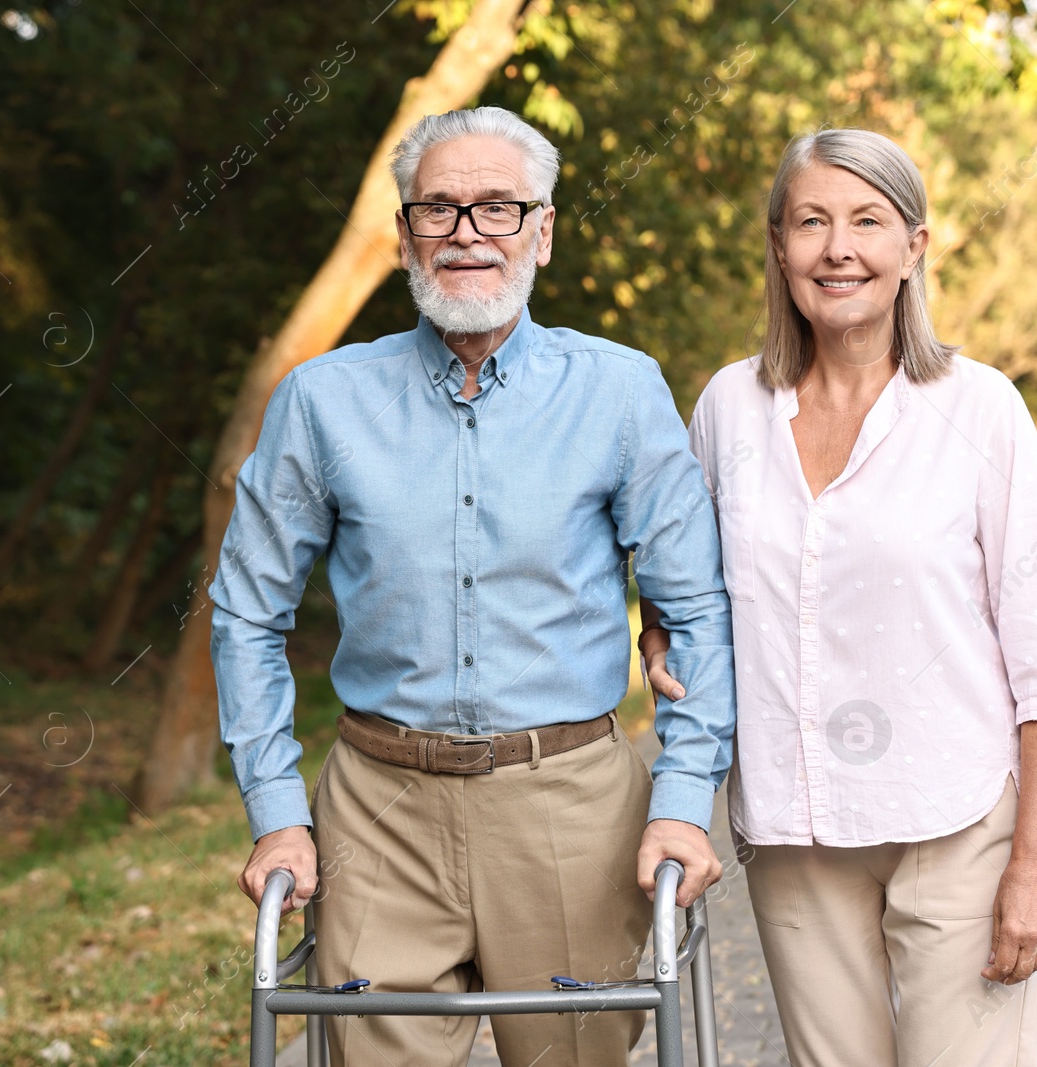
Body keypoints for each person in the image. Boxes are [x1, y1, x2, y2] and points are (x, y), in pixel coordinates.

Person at [210, 106, 735, 1067]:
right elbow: (247, 611)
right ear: (404, 233)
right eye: (439, 209)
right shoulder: (322, 401)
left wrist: (684, 795)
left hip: (571, 805)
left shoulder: (619, 392)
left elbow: (697, 608)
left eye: (498, 208)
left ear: (541, 229)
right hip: (379, 811)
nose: (466, 234)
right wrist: (278, 810)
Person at [640, 128, 1037, 1066]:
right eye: (811, 221)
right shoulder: (727, 408)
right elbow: (686, 583)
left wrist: (1036, 865)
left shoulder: (981, 409)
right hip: (792, 826)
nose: (837, 247)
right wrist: (658, 633)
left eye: (868, 221)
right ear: (779, 245)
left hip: (960, 820)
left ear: (914, 247)